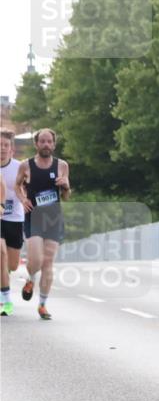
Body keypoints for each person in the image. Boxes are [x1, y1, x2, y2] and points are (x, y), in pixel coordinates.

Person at [16, 129, 70, 320]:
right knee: (36, 261)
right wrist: (23, 199)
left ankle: (42, 305)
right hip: (34, 218)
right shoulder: (26, 166)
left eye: (49, 142)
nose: (46, 145)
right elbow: (17, 185)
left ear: (54, 145)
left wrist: (65, 185)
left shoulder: (62, 165)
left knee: (48, 263)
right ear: (36, 144)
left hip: (54, 219)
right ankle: (31, 279)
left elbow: (66, 195)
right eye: (43, 141)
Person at [1, 129, 23, 316]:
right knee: (1, 254)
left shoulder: (20, 167)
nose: (2, 149)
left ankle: (4, 278)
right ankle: (5, 299)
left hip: (15, 217)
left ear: (11, 149)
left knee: (13, 265)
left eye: (5, 145)